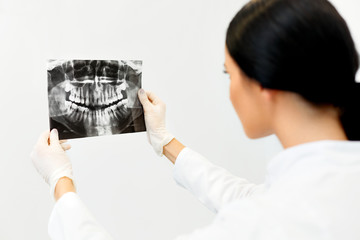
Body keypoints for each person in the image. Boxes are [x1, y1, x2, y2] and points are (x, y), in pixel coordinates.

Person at [31, 0, 360, 239]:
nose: (229, 89)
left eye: (228, 73)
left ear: (263, 85)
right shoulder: (325, 187)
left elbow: (261, 213)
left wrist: (61, 183)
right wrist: (165, 141)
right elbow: (251, 197)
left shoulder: (265, 223)